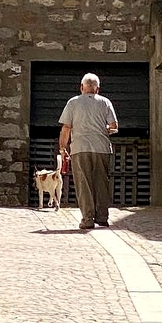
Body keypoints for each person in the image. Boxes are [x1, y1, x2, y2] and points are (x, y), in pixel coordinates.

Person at [58, 72, 118, 230]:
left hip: (80, 148)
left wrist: (63, 148)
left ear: (81, 87)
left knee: (84, 183)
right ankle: (102, 218)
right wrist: (103, 129)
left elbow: (66, 127)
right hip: (102, 148)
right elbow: (114, 127)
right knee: (102, 182)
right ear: (97, 89)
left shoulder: (73, 102)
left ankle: (87, 219)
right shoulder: (105, 102)